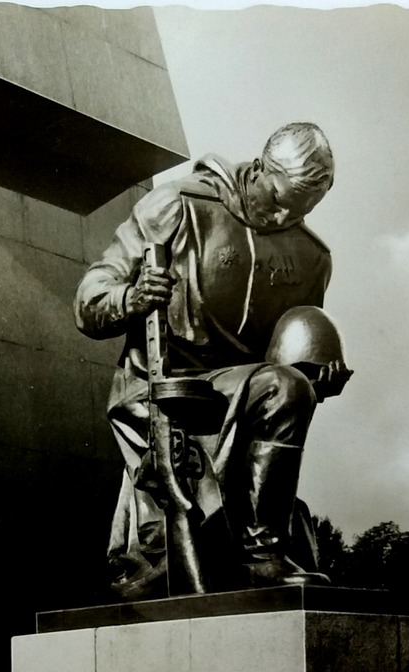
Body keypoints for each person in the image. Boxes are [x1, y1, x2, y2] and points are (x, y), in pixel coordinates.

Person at [74, 122, 352, 599]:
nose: (287, 213)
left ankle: (262, 552)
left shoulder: (312, 256)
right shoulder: (177, 205)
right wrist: (132, 297)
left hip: (244, 386)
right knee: (281, 388)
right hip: (163, 384)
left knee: (289, 387)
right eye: (281, 197)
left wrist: (314, 374)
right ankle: (237, 550)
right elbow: (88, 300)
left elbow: (284, 357)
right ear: (261, 169)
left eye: (306, 206)